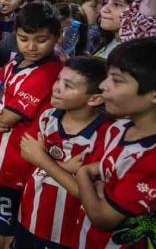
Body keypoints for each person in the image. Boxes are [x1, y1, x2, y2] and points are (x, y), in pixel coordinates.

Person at [0, 1, 65, 249]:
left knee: (9, 233)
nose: (31, 47)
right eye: (24, 39)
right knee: (0, 228)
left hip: (15, 166)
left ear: (57, 37)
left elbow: (4, 121)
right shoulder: (14, 64)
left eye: (41, 40)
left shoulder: (48, 73)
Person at [77, 38, 156, 248]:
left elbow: (103, 217)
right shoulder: (121, 127)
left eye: (117, 80)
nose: (102, 86)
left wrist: (82, 174)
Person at [15, 56, 110, 249]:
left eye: (68, 85)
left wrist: (42, 159)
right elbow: (27, 151)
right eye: (58, 79)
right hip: (29, 215)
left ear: (94, 98)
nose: (56, 87)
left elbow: (85, 193)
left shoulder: (105, 134)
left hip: (66, 232)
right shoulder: (47, 116)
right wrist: (64, 167)